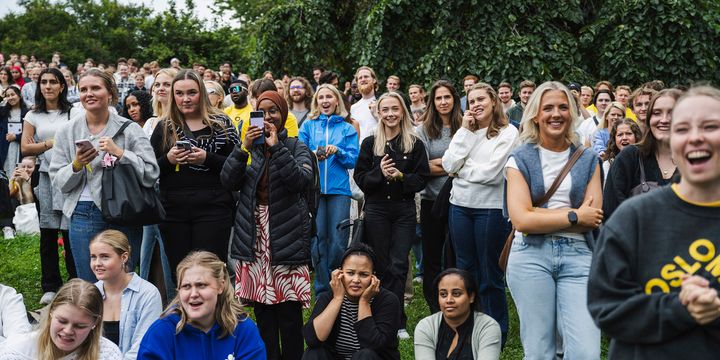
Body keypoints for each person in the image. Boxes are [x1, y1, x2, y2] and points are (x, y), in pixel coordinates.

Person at [587, 86, 720, 358]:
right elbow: (606, 307)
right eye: (682, 129)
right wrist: (680, 308)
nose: (695, 138)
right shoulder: (632, 217)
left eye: (710, 127)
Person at [504, 81, 603, 359]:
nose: (555, 114)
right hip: (530, 256)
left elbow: (592, 218)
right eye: (548, 108)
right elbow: (521, 221)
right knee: (539, 352)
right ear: (535, 114)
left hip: (579, 256)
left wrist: (538, 213)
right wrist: (573, 214)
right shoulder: (519, 158)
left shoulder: (588, 159)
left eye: (563, 107)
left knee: (586, 353)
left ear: (572, 113)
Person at [221, 90, 312, 360]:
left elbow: (300, 183)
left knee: (289, 313)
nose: (269, 116)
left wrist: (277, 147)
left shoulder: (296, 147)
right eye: (263, 111)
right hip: (254, 235)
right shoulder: (250, 149)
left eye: (274, 110)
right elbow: (227, 182)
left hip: (286, 235)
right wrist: (243, 148)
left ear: (283, 115)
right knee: (263, 312)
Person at [50, 68, 159, 282]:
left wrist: (121, 153)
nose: (89, 93)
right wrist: (77, 164)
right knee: (90, 284)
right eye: (83, 89)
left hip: (125, 210)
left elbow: (151, 172)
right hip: (83, 212)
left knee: (123, 281)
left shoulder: (130, 129)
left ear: (110, 92)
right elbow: (58, 182)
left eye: (95, 88)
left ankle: (122, 317)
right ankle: (94, 317)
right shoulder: (67, 131)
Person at [442, 83, 518, 343]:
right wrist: (464, 132)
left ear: (494, 101)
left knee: (489, 274)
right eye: (471, 101)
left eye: (480, 99)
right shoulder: (465, 132)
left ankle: (496, 331)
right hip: (460, 207)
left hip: (490, 210)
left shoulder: (508, 133)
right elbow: (448, 163)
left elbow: (492, 173)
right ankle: (468, 327)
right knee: (465, 271)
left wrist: (461, 171)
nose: (475, 104)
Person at [354, 92, 429, 340]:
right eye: (385, 110)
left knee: (398, 265)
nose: (390, 114)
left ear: (402, 111)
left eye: (394, 109)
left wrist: (401, 177)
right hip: (376, 210)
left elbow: (422, 178)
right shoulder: (370, 143)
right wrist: (379, 173)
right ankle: (376, 313)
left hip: (403, 211)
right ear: (379, 113)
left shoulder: (414, 143)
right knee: (381, 264)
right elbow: (361, 178)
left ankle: (397, 322)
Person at [150, 69, 239, 279]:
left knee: (210, 273)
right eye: (180, 93)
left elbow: (237, 167)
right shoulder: (164, 126)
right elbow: (149, 169)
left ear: (202, 94)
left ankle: (216, 312)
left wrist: (206, 159)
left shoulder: (222, 124)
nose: (186, 99)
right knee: (180, 273)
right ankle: (184, 312)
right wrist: (168, 160)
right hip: (174, 210)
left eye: (192, 92)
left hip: (214, 208)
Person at [137, 251, 266, 359]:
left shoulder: (243, 330)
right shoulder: (161, 333)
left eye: (201, 285)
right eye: (186, 286)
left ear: (220, 286)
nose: (193, 294)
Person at [21, 67, 79, 304]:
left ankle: (75, 280)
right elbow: (26, 147)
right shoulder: (32, 115)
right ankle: (51, 284)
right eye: (43, 82)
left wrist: (41, 145)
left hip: (68, 175)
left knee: (69, 230)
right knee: (48, 230)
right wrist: (51, 143)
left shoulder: (73, 112)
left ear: (62, 86)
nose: (47, 86)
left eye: (53, 82)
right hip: (45, 176)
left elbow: (77, 142)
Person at [298, 84, 359, 296]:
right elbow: (300, 155)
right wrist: (315, 154)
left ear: (336, 101)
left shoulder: (347, 128)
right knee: (318, 240)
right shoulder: (308, 126)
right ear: (316, 102)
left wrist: (339, 151)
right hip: (314, 190)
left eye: (329, 97)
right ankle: (323, 290)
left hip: (339, 190)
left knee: (338, 241)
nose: (325, 101)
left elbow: (353, 160)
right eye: (321, 97)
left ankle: (338, 285)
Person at [302, 243, 401, 360]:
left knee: (365, 356)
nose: (356, 280)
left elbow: (375, 345)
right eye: (350, 273)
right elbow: (312, 340)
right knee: (314, 353)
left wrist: (364, 302)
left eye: (363, 274)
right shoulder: (328, 297)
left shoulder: (388, 301)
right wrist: (337, 298)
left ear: (373, 277)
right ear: (340, 273)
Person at [414, 80, 462, 313]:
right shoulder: (423, 130)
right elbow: (422, 167)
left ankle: (458, 301)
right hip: (432, 200)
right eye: (438, 98)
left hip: (461, 200)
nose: (443, 102)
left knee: (456, 253)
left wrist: (440, 164)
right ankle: (435, 305)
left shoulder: (466, 127)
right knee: (432, 256)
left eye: (447, 97)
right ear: (432, 102)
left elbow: (473, 161)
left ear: (454, 100)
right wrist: (456, 164)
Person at [603, 89, 683, 220]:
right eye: (657, 113)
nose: (663, 120)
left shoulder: (696, 162)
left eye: (672, 113)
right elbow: (611, 209)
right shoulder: (629, 157)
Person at [0, 279, 122, 359]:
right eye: (62, 321)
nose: (68, 331)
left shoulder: (108, 354)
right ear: (51, 312)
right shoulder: (17, 351)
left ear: (95, 323)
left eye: (80, 326)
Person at [90, 229, 162, 359]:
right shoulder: (90, 293)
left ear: (124, 257)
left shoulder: (147, 294)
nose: (97, 264)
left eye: (105, 257)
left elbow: (143, 347)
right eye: (93, 257)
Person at [414, 268, 501, 360]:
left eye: (456, 294)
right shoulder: (426, 326)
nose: (449, 300)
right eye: (443, 294)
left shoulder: (487, 327)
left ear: (471, 296)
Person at [0, 86, 28, 176]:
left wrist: (16, 136)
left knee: (19, 175)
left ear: (19, 95)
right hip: (5, 146)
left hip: (21, 147)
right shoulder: (2, 112)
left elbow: (30, 133)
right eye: (8, 96)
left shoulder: (27, 112)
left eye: (13, 94)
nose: (10, 97)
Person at [350, 66, 379, 142]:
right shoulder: (353, 108)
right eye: (360, 78)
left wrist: (377, 116)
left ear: (374, 80)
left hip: (379, 148)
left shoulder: (382, 102)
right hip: (360, 151)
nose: (363, 79)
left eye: (366, 76)